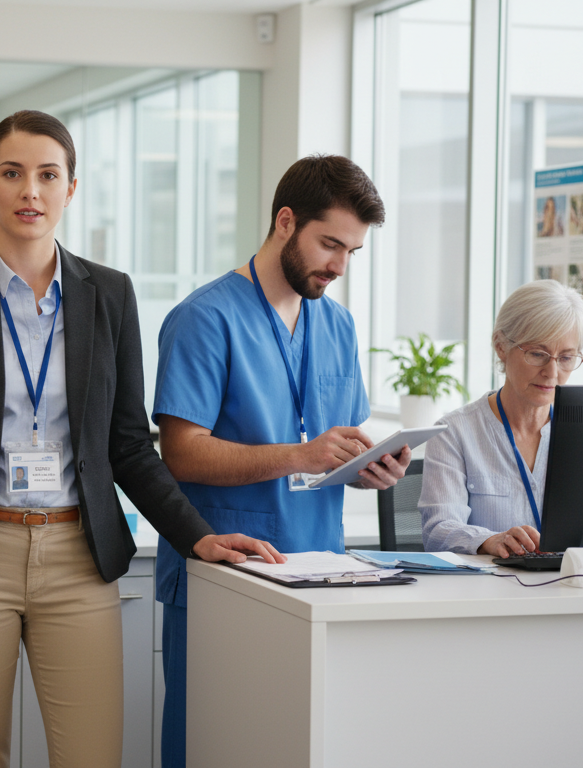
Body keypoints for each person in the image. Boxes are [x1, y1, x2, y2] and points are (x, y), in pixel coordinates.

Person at [0, 109, 283, 768]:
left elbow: (129, 443)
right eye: (12, 174)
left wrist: (196, 534)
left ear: (72, 188)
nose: (29, 191)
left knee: (92, 757)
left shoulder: (110, 295)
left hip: (78, 554)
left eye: (48, 175)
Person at [151, 154, 409, 768]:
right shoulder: (203, 319)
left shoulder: (338, 324)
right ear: (286, 221)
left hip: (321, 569)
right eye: (329, 244)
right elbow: (179, 454)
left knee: (299, 746)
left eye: (352, 252)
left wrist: (371, 464)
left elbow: (333, 442)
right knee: (212, 743)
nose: (339, 266)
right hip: (226, 574)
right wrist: (301, 452)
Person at [419, 279, 583, 556]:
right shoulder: (454, 432)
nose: (552, 372)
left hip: (570, 586)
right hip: (489, 593)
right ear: (501, 346)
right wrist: (490, 540)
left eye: (566, 358)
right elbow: (437, 531)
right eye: (538, 354)